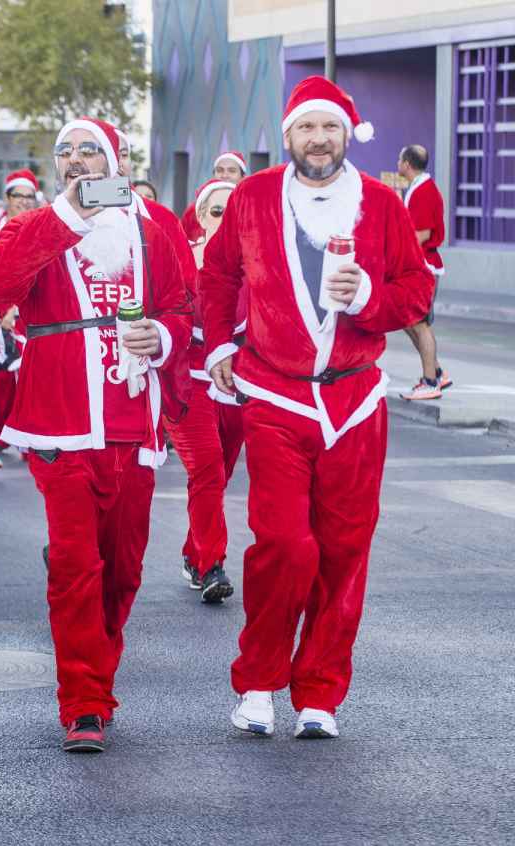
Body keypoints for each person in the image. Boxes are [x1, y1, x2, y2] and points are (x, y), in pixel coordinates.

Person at [202, 76, 433, 739]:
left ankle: (320, 693)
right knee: (283, 544)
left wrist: (368, 298)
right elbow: (217, 274)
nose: (318, 139)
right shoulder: (251, 198)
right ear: (289, 137)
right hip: (274, 393)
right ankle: (257, 682)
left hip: (356, 401)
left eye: (329, 127)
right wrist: (219, 341)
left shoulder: (382, 205)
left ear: (346, 134)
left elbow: (414, 291)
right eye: (306, 128)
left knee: (344, 550)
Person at [0, 117, 191, 754]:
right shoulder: (32, 226)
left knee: (122, 569)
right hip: (61, 423)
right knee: (76, 563)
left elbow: (182, 304)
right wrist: (66, 216)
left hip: (133, 418)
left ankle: (96, 670)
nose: (76, 160)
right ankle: (85, 703)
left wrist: (165, 338)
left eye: (89, 149)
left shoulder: (154, 229)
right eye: (65, 152)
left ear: (115, 160)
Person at [165, 178, 243, 602]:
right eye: (217, 211)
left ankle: (195, 553)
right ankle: (213, 563)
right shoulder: (181, 262)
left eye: (234, 212)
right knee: (208, 467)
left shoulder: (260, 268)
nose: (226, 219)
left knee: (219, 476)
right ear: (199, 216)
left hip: (235, 387)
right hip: (186, 384)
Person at [396, 144, 450, 400]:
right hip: (419, 267)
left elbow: (421, 235)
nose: (398, 162)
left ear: (407, 163)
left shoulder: (424, 192)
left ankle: (430, 381)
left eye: (399, 159)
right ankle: (437, 372)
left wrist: (393, 256)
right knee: (409, 322)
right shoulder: (418, 188)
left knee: (420, 325)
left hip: (423, 268)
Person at [183, 151, 248, 242]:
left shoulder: (250, 208)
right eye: (220, 170)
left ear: (243, 177)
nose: (225, 175)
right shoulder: (194, 210)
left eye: (232, 171)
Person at [0, 170, 39, 236]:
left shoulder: (41, 231)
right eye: (18, 196)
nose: (24, 202)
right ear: (6, 198)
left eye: (29, 196)